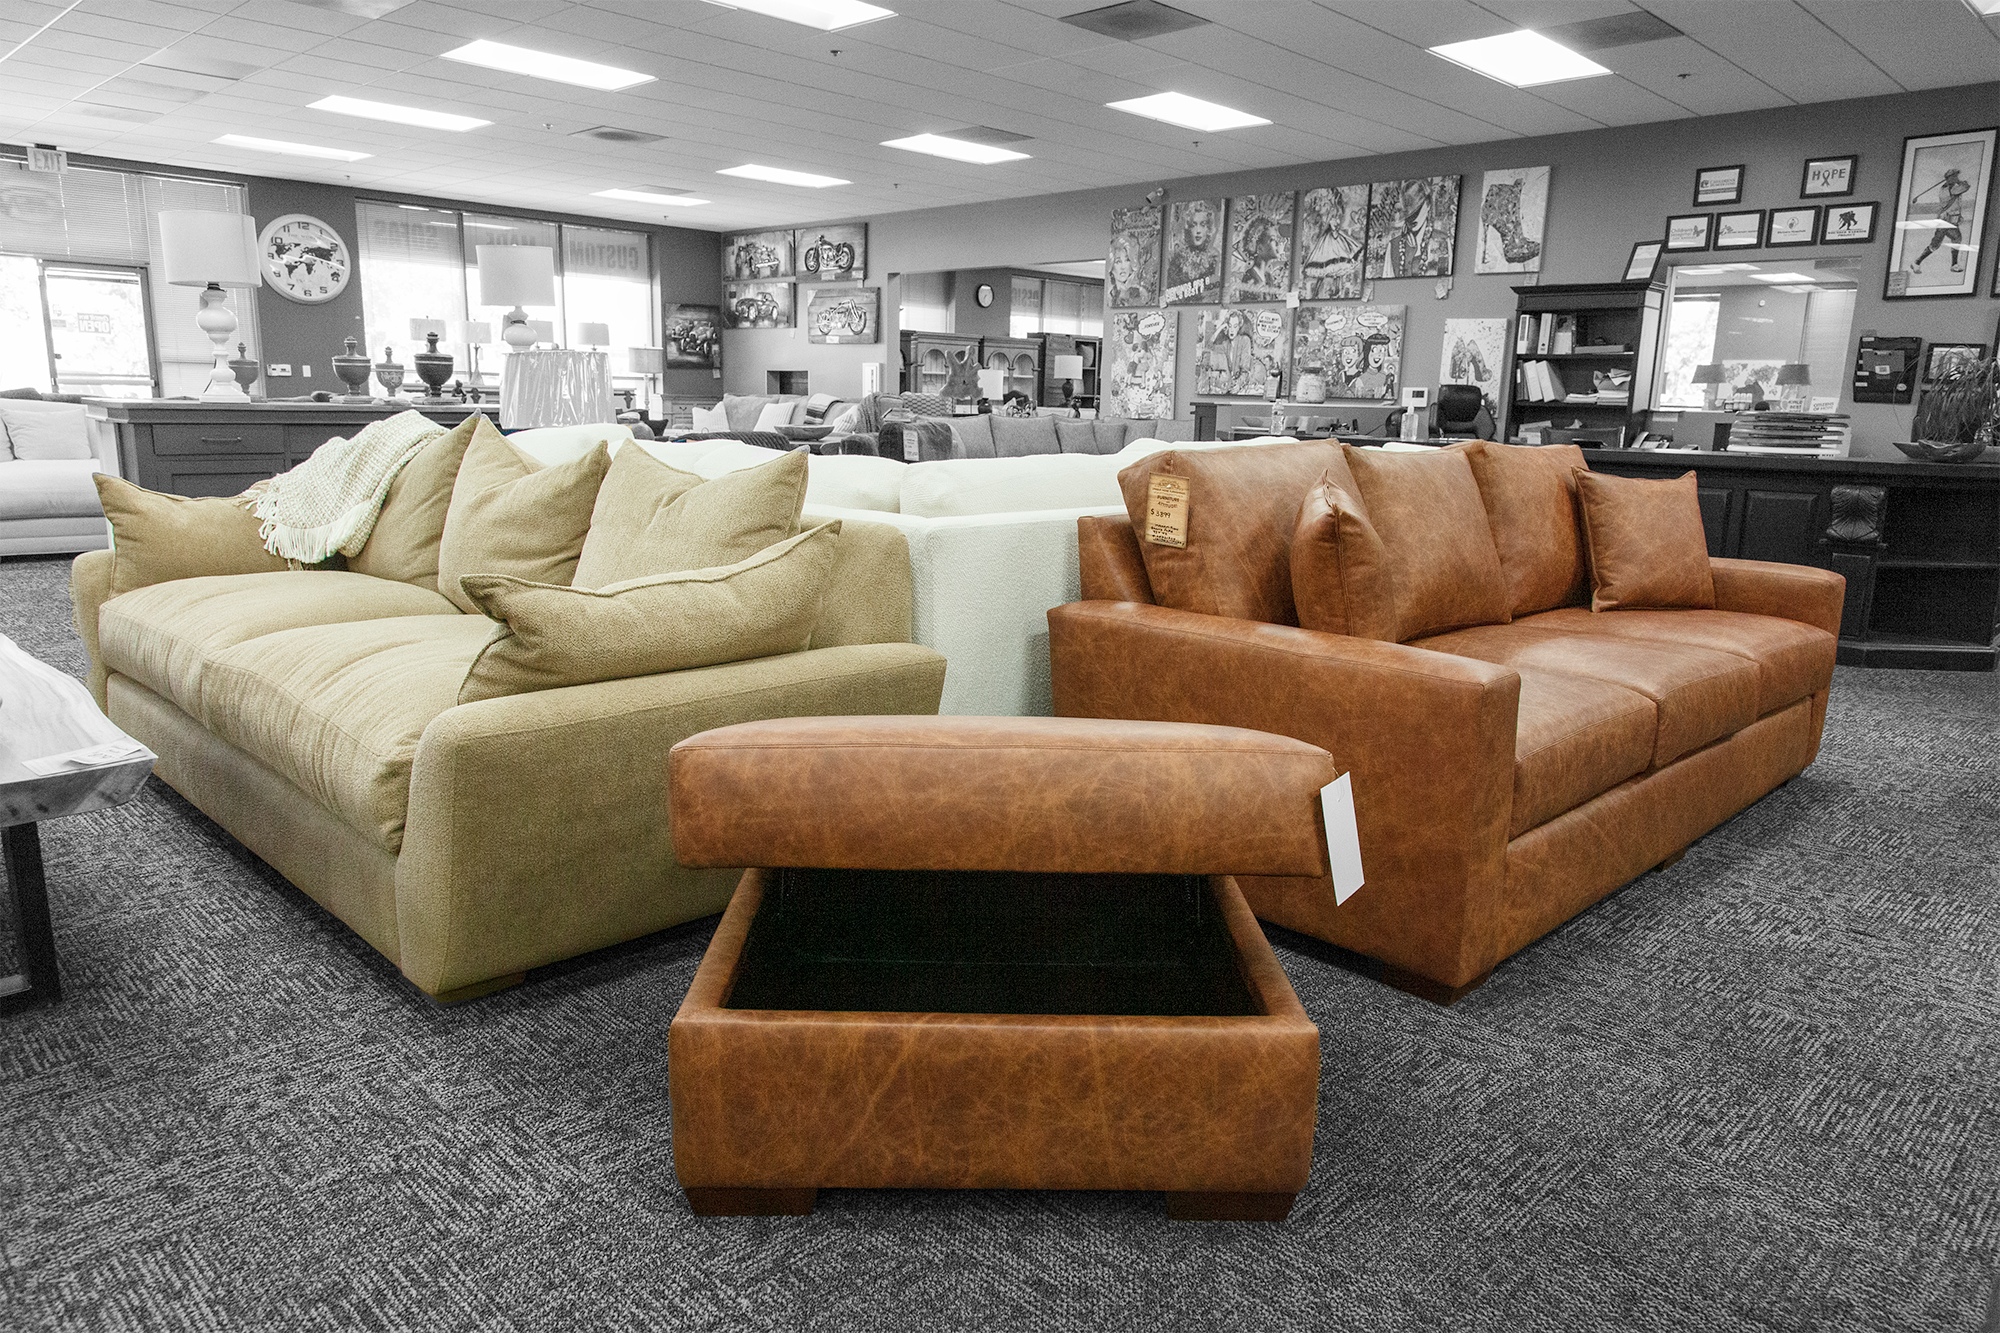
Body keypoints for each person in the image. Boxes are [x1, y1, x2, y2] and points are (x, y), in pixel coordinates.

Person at [1911, 167, 1970, 274]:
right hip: (1945, 221)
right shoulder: (1950, 189)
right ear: (1949, 178)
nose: (1957, 178)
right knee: (1935, 245)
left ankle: (1954, 265)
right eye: (1955, 176)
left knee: (1957, 238)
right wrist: (1959, 181)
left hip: (1950, 220)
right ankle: (1917, 262)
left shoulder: (1949, 187)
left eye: (1957, 175)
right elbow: (1965, 187)